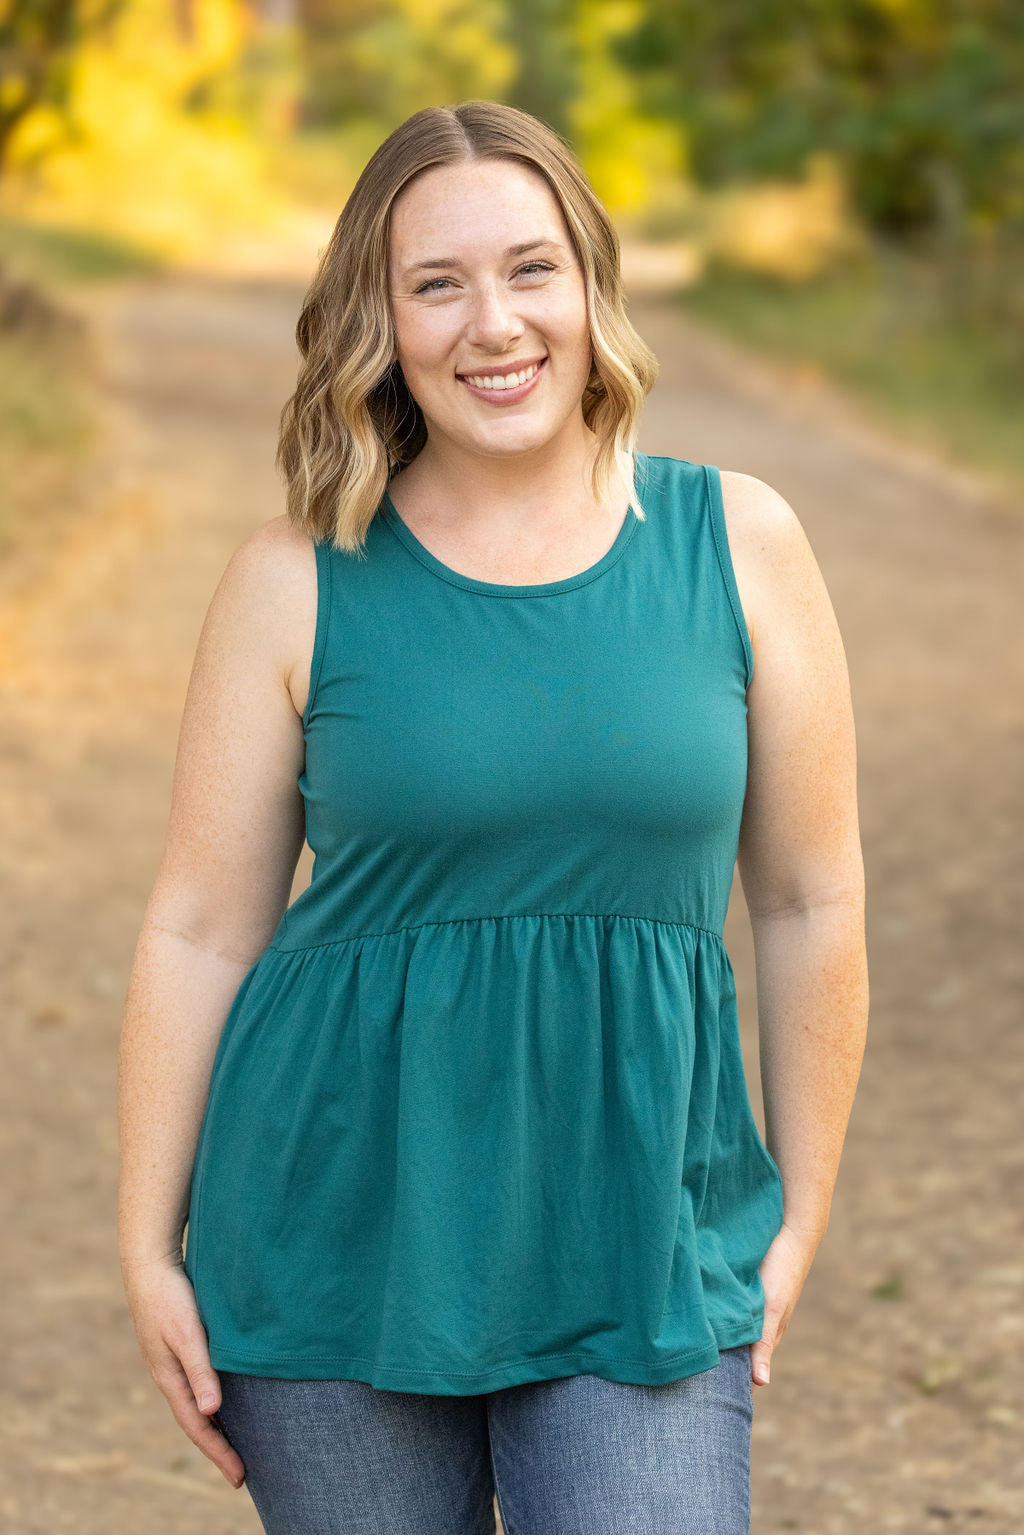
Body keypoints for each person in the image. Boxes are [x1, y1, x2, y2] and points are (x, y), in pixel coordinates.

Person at [118, 99, 868, 1535]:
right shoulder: (297, 574)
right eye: (436, 283)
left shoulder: (741, 543)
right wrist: (147, 1244)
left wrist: (799, 1218)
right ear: (379, 319)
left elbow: (809, 901)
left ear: (591, 284)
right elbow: (201, 925)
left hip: (646, 1242)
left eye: (530, 268)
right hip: (333, 1246)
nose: (493, 324)